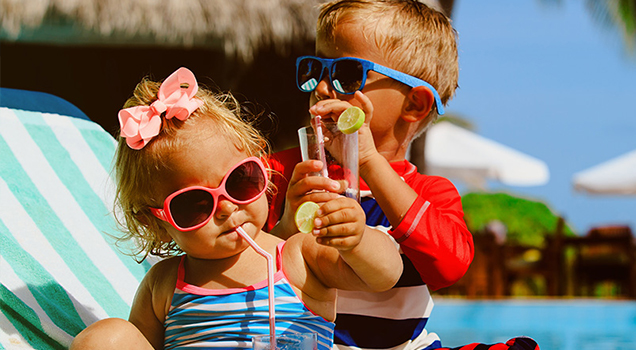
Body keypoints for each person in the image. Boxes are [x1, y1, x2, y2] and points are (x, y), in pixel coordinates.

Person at [266, 1, 538, 349]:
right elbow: (232, 259)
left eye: (347, 75)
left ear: (414, 105)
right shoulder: (281, 173)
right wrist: (285, 227)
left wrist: (368, 163)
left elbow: (449, 267)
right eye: (315, 69)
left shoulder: (428, 193)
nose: (321, 88)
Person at [69, 67, 403, 350]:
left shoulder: (298, 256)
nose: (227, 208)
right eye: (194, 204)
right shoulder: (164, 284)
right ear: (157, 223)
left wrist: (357, 240)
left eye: (239, 181)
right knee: (107, 337)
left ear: (262, 167)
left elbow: (385, 275)